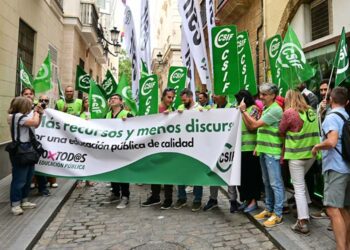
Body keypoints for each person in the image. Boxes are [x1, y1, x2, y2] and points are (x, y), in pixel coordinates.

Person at [239, 83, 285, 228]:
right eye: (261, 94)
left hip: (272, 152)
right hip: (264, 150)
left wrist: (244, 112)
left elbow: (254, 126)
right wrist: (258, 146)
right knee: (266, 182)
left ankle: (277, 214)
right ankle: (269, 209)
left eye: (264, 95)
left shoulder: (276, 110)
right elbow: (262, 130)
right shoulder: (266, 108)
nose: (261, 97)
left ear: (273, 95)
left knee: (275, 184)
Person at [312, 87, 350, 250]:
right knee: (344, 209)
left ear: (331, 100)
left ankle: (341, 248)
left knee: (332, 209)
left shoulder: (331, 117)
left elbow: (332, 141)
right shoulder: (346, 115)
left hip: (336, 167)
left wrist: (316, 147)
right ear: (346, 102)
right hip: (347, 167)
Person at [280, 90, 320, 235]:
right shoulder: (310, 111)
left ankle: (302, 221)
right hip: (312, 154)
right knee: (301, 183)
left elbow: (281, 130)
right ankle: (307, 206)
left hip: (297, 154)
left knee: (298, 188)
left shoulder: (289, 113)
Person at [203, 94, 240, 213]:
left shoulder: (232, 107)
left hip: (228, 147)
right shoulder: (212, 108)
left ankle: (233, 201)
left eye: (217, 94)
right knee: (213, 173)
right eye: (213, 95)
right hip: (214, 148)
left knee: (229, 172)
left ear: (224, 96)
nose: (214, 96)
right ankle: (213, 199)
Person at [7, 97, 44, 215]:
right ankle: (15, 204)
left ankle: (24, 200)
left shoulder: (24, 116)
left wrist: (40, 115)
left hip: (29, 149)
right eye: (29, 105)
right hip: (20, 150)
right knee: (20, 179)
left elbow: (35, 125)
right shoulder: (16, 116)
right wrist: (37, 112)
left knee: (28, 177)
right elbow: (34, 122)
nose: (31, 107)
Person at [142, 88, 176, 209]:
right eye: (169, 97)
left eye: (172, 97)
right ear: (163, 96)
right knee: (154, 172)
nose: (171, 100)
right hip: (154, 145)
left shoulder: (174, 110)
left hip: (168, 146)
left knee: (167, 172)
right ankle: (155, 197)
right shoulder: (154, 108)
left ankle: (168, 199)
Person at [174, 88, 203, 212]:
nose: (183, 101)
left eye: (184, 99)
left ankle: (197, 199)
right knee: (180, 172)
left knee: (197, 174)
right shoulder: (180, 107)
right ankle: (182, 198)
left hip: (196, 146)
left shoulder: (199, 109)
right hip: (183, 145)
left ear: (190, 98)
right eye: (182, 100)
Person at [103, 94, 133, 209]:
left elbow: (137, 127)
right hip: (110, 148)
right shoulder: (107, 115)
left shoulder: (127, 114)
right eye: (111, 98)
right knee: (112, 170)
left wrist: (128, 122)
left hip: (123, 149)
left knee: (123, 172)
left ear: (121, 102)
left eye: (115, 98)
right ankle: (115, 193)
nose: (112, 100)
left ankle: (125, 196)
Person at [234, 90, 262, 214]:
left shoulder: (254, 109)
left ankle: (253, 201)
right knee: (242, 178)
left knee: (251, 177)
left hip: (251, 149)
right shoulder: (238, 110)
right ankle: (246, 199)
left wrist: (243, 111)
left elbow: (251, 127)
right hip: (240, 149)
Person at [78, 97, 94, 187]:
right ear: (83, 104)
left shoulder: (95, 113)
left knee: (90, 160)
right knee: (81, 160)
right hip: (84, 140)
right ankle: (80, 180)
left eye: (89, 101)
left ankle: (89, 179)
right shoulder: (82, 114)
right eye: (86, 102)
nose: (87, 103)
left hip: (92, 140)